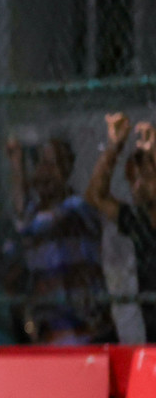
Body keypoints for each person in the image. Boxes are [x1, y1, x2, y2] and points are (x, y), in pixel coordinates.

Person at [0, 137, 113, 344]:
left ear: (67, 168)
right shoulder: (28, 221)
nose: (44, 171)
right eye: (39, 164)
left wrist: (17, 169)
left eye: (52, 163)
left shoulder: (79, 209)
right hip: (51, 339)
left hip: (91, 335)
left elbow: (38, 224)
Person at [87, 113, 156, 341]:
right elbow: (96, 196)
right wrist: (114, 147)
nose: (138, 185)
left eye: (147, 174)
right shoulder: (137, 222)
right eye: (134, 177)